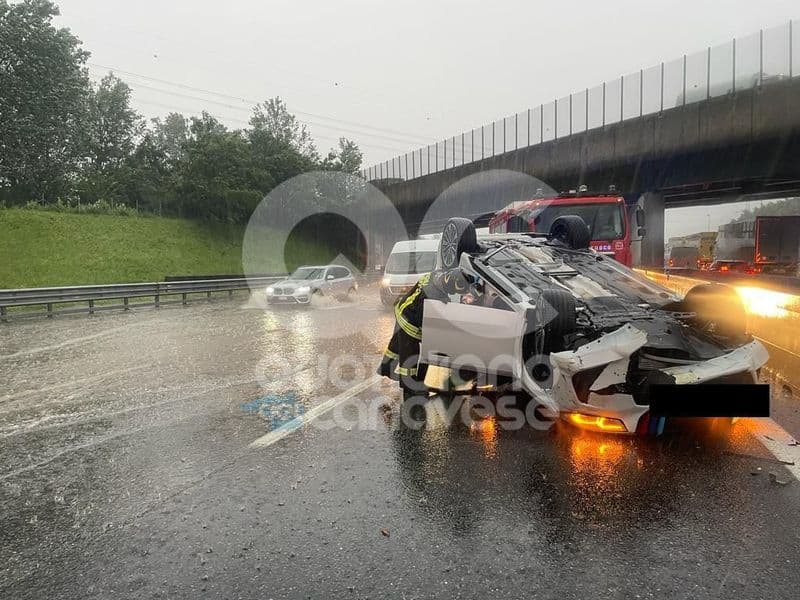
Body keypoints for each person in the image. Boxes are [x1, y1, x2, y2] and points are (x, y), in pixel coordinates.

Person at [377, 268, 481, 401]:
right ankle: (409, 390)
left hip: (402, 307)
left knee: (395, 347)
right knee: (410, 358)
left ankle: (385, 368)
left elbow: (457, 278)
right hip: (410, 321)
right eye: (454, 291)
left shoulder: (437, 274)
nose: (454, 293)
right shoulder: (434, 297)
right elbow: (425, 322)